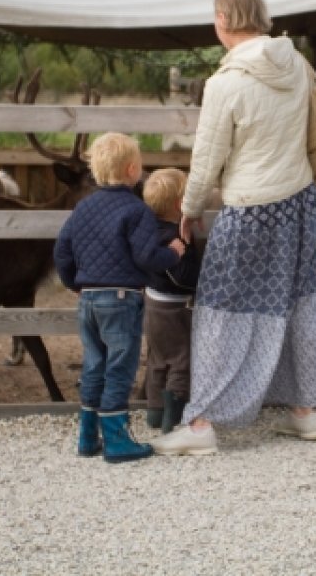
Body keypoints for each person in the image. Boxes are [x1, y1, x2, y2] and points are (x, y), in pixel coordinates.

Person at [151, 0, 316, 457]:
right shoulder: (298, 64)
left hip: (252, 208)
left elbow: (207, 158)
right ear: (261, 17)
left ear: (222, 20)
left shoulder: (226, 83)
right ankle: (304, 411)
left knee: (223, 313)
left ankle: (201, 423)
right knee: (298, 302)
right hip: (300, 202)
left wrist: (189, 209)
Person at [54, 132, 185, 464]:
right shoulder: (136, 210)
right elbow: (146, 257)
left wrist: (73, 282)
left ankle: (87, 436)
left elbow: (62, 250)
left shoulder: (83, 208)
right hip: (120, 298)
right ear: (131, 170)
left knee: (94, 365)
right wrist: (174, 251)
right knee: (120, 368)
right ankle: (116, 441)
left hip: (88, 301)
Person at [139, 167, 204, 434]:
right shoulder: (173, 238)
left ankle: (154, 412)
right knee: (180, 359)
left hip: (151, 302)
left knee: (157, 358)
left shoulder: (146, 230)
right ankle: (172, 419)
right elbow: (182, 278)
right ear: (180, 204)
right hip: (173, 307)